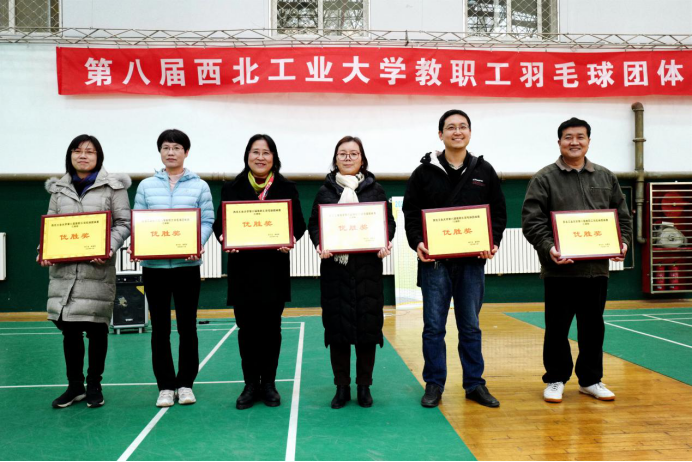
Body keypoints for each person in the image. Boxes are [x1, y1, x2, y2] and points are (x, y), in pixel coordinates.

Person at [522, 117, 632, 404]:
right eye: (568, 137)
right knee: (557, 328)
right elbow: (532, 221)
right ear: (559, 142)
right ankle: (556, 379)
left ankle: (590, 380)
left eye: (580, 137)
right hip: (559, 270)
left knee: (593, 328)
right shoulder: (544, 178)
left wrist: (622, 243)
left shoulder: (606, 177)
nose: (574, 142)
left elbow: (622, 218)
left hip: (596, 270)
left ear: (588, 141)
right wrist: (549, 248)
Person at [403, 109, 507, 409]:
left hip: (472, 263)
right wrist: (418, 242)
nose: (457, 132)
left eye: (463, 127)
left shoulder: (484, 170)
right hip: (434, 264)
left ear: (470, 133)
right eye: (450, 127)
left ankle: (474, 384)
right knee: (433, 327)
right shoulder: (423, 173)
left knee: (470, 326)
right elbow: (411, 213)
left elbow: (498, 212)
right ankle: (434, 384)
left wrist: (493, 241)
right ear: (441, 134)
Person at [212, 134, 307, 410]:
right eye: (255, 152)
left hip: (273, 269)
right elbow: (220, 225)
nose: (261, 157)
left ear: (274, 157)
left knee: (271, 329)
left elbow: (299, 224)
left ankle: (269, 384)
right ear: (247, 156)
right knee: (247, 330)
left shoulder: (286, 187)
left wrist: (290, 238)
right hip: (242, 271)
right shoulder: (232, 187)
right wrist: (224, 239)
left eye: (266, 152)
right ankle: (250, 384)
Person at [40, 134, 131, 409]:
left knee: (96, 329)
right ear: (70, 155)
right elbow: (52, 226)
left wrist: (107, 247)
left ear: (98, 157)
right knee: (69, 331)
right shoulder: (59, 190)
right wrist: (44, 250)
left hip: (97, 270)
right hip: (65, 272)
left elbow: (124, 223)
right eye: (77, 151)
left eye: (89, 152)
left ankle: (94, 385)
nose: (83, 155)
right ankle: (74, 386)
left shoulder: (113, 187)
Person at [308, 136, 396, 409]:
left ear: (362, 159)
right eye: (342, 154)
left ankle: (364, 386)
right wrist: (320, 243)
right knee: (338, 330)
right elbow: (314, 225)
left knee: (368, 328)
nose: (348, 158)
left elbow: (388, 223)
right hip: (336, 271)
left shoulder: (375, 190)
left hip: (368, 270)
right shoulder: (325, 191)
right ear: (335, 159)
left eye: (353, 153)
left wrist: (385, 241)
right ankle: (342, 386)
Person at [132, 129, 215, 408]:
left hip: (186, 267)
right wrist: (138, 246)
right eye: (166, 147)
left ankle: (186, 384)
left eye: (177, 147)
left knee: (187, 327)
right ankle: (165, 386)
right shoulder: (146, 186)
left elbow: (207, 221)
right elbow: (138, 221)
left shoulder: (200, 186)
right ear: (160, 152)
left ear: (186, 152)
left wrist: (196, 244)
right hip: (154, 267)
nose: (171, 152)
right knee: (159, 329)